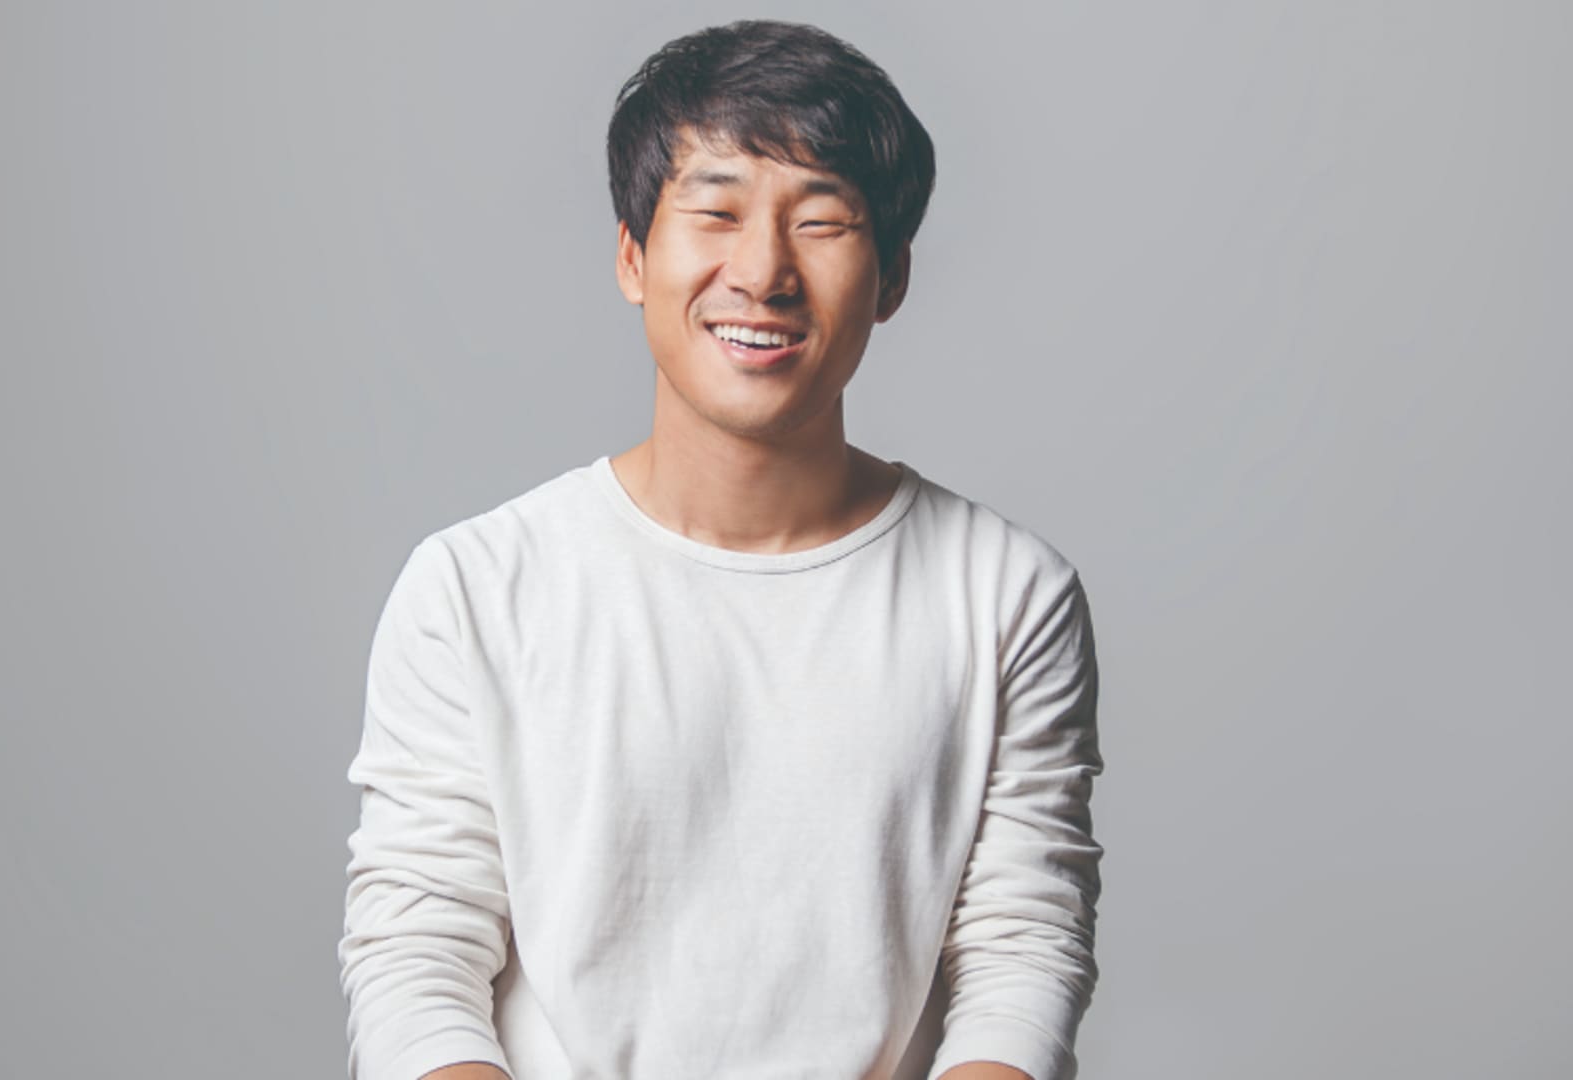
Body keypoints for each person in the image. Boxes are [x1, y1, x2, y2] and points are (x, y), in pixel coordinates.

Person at [338, 19, 1103, 1080]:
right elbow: (415, 962)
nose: (763, 271)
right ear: (632, 256)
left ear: (891, 278)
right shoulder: (474, 589)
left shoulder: (1007, 594)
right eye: (716, 211)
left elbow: (1022, 954)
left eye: (822, 222)